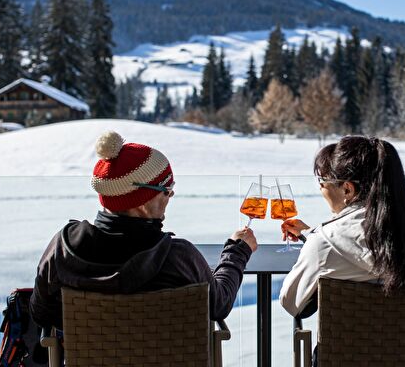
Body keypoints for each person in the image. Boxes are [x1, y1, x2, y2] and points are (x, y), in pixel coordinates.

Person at [30, 131, 257, 329]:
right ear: (141, 201)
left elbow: (41, 312)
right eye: (167, 189)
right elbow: (221, 303)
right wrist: (237, 251)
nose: (171, 195)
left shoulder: (65, 246)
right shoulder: (177, 257)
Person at [279, 136, 405, 318]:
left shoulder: (323, 244)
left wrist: (317, 241)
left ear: (347, 189)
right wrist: (311, 235)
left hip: (346, 346)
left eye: (322, 181)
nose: (321, 188)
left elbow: (292, 304)